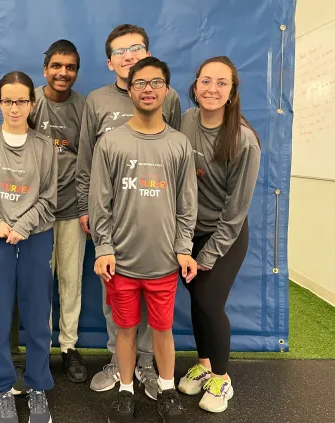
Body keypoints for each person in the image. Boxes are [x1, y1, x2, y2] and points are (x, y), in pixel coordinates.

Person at [76, 23, 182, 397]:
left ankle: (147, 365)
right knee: (115, 295)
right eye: (121, 51)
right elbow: (86, 159)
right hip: (112, 222)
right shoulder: (96, 101)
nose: (129, 56)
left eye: (136, 48)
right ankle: (117, 361)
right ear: (110, 62)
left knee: (156, 299)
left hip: (156, 225)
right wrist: (86, 207)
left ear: (148, 54)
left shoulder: (168, 99)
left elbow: (177, 157)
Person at [89, 57, 197, 423]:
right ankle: (125, 390)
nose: (148, 89)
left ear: (166, 90)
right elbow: (99, 201)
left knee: (163, 330)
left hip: (164, 262)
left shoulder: (179, 144)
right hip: (121, 261)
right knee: (125, 330)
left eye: (155, 83)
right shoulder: (111, 142)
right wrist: (103, 247)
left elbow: (187, 202)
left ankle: (167, 390)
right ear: (130, 89)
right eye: (140, 83)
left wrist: (184, 247)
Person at [0, 71, 58, 423]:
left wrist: (22, 226)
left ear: (31, 104)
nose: (15, 108)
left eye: (22, 101)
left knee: (37, 319)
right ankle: (3, 389)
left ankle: (37, 389)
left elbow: (49, 199)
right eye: (8, 101)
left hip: (34, 237)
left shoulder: (44, 147)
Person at [177, 56, 261, 414]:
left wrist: (206, 255)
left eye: (221, 83)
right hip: (189, 233)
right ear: (195, 86)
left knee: (210, 302)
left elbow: (235, 211)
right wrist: (183, 244)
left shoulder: (244, 140)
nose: (212, 89)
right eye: (206, 81)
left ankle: (221, 378)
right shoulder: (185, 121)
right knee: (197, 302)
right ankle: (205, 363)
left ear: (232, 91)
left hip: (224, 235)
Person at [8, 39, 88, 390]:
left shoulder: (84, 107)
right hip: (33, 213)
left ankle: (68, 347)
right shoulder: (30, 103)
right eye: (57, 66)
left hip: (71, 210)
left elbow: (88, 161)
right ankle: (41, 348)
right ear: (45, 69)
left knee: (70, 282)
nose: (63, 73)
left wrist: (87, 207)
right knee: (39, 285)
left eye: (70, 67)